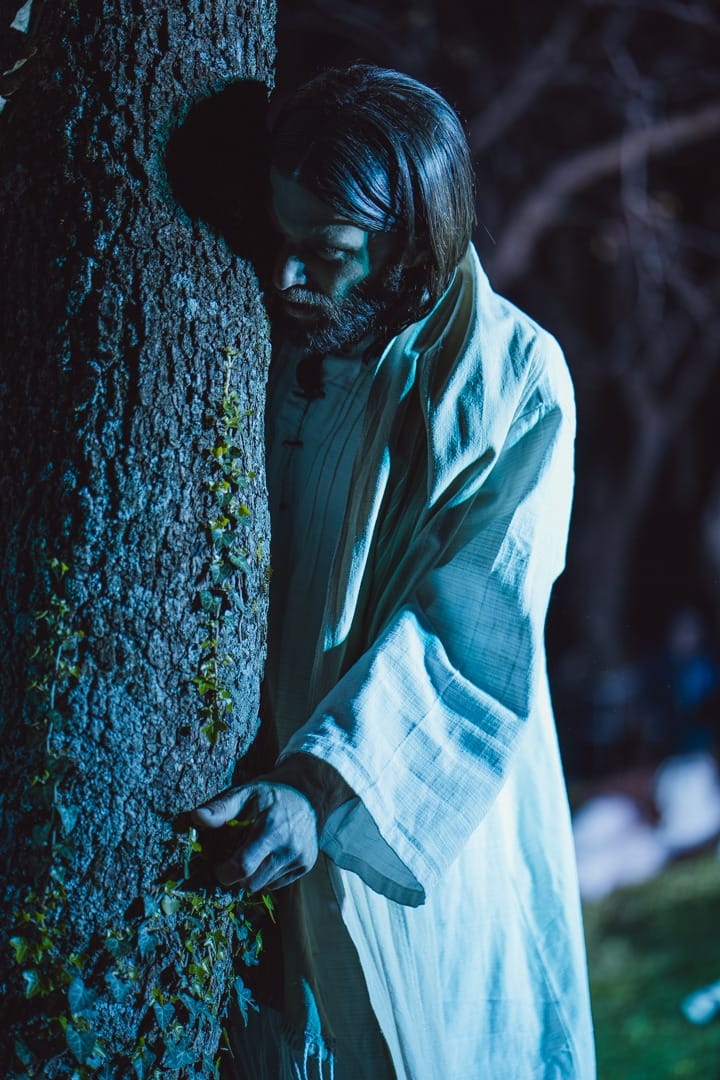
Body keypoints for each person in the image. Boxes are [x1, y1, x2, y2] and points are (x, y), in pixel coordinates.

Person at [192, 64, 596, 1079]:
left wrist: (319, 786)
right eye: (278, 238)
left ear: (411, 249)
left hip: (405, 812)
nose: (284, 276)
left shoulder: (511, 381)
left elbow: (471, 629)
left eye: (326, 253)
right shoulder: (250, 331)